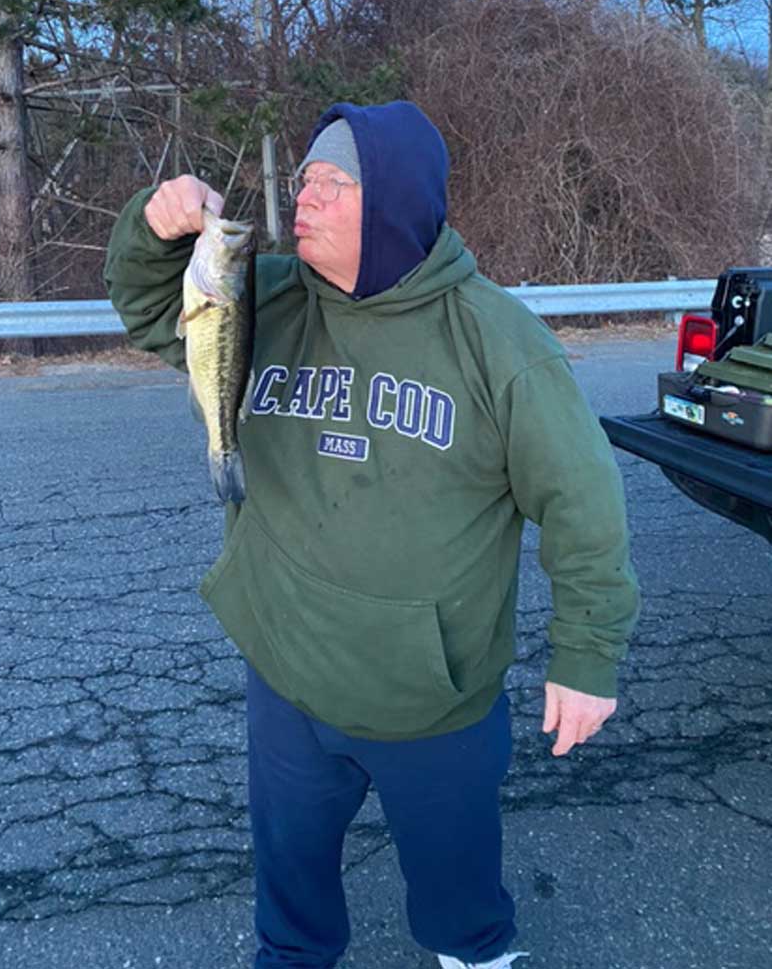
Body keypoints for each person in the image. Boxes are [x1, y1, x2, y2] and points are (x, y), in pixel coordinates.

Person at [104, 101, 640, 969]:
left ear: (391, 201)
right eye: (306, 178)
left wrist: (587, 654)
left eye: (334, 181)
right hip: (285, 668)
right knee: (290, 884)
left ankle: (475, 951)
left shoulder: (496, 340)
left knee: (457, 885)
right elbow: (144, 308)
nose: (305, 197)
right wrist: (153, 228)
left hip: (429, 694)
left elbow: (585, 501)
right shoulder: (262, 296)